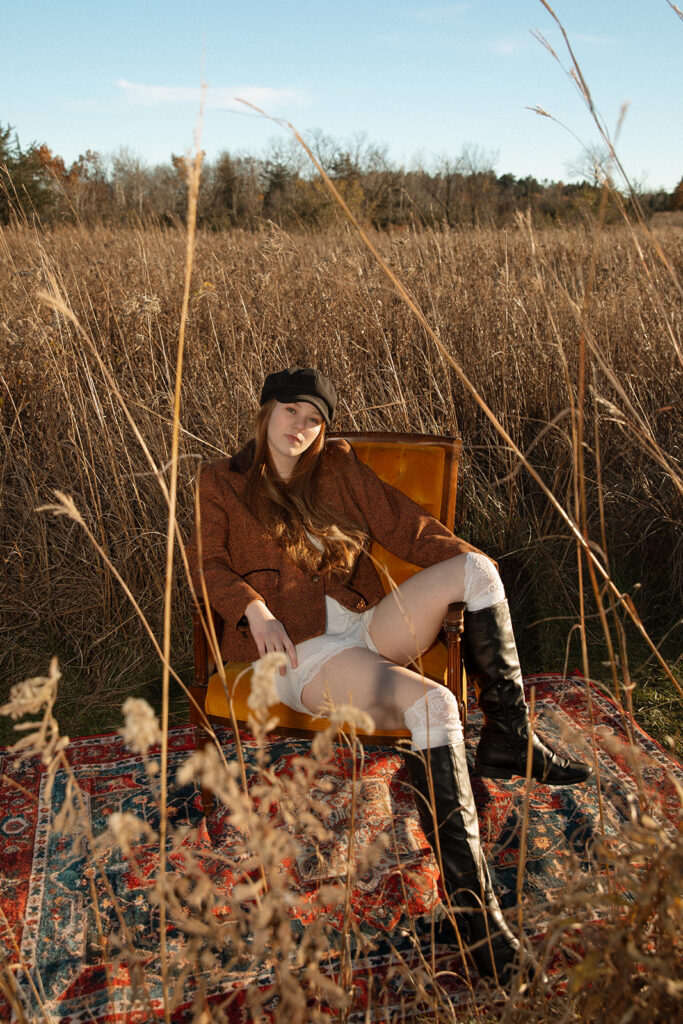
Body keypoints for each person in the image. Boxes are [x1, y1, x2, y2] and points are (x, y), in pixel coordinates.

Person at [188, 366, 591, 984]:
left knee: (480, 572)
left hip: (366, 620)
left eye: (314, 418)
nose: (302, 427)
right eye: (292, 411)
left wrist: (465, 556)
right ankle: (472, 913)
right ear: (267, 408)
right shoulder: (220, 482)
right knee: (437, 707)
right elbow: (209, 563)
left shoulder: (338, 467)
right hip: (302, 653)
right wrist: (253, 606)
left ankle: (508, 737)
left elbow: (407, 526)